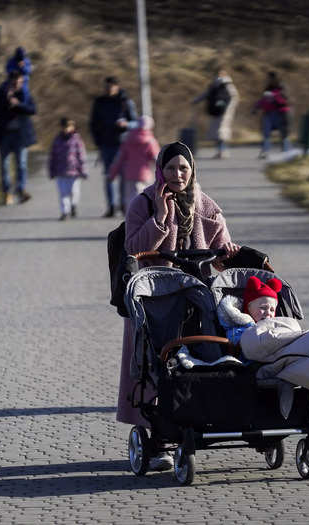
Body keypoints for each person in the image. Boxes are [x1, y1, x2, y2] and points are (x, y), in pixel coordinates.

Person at [117, 142, 239, 470]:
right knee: (157, 364)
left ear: (192, 169)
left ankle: (195, 423)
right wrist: (161, 216)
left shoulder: (204, 203)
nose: (178, 174)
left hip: (196, 296)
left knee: (201, 358)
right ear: (160, 170)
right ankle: (159, 439)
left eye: (183, 168)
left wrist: (228, 251)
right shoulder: (142, 203)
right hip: (156, 297)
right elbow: (134, 247)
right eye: (170, 168)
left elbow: (220, 256)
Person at [89, 76, 138, 217]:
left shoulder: (126, 102)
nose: (109, 89)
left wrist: (126, 125)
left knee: (124, 176)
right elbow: (93, 124)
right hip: (106, 144)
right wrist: (97, 141)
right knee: (108, 175)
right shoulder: (99, 103)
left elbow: (136, 123)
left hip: (123, 144)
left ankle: (123, 205)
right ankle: (110, 206)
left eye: (111, 86)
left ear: (117, 86)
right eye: (106, 86)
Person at [0, 70, 37, 205]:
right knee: (4, 165)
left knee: (21, 164)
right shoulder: (0, 93)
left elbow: (33, 110)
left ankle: (21, 191)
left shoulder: (25, 94)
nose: (17, 84)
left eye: (20, 82)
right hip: (4, 134)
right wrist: (6, 100)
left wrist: (18, 104)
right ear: (9, 81)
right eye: (14, 82)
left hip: (20, 135)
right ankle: (7, 192)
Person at [108, 115, 160, 212]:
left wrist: (112, 174)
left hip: (129, 175)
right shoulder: (150, 141)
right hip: (145, 174)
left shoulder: (128, 140)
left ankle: (130, 219)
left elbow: (119, 159)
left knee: (130, 199)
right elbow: (157, 159)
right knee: (145, 199)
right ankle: (141, 220)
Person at [192, 68, 239, 159]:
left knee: (220, 132)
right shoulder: (220, 85)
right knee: (219, 133)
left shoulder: (222, 85)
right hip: (219, 112)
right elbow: (234, 98)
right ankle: (221, 151)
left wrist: (196, 101)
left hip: (221, 112)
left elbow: (234, 97)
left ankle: (222, 151)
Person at [48, 117, 88, 220]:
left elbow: (81, 156)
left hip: (74, 172)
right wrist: (51, 170)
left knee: (74, 192)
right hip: (60, 171)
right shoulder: (57, 140)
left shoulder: (76, 139)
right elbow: (53, 156)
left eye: (68, 126)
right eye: (64, 127)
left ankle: (73, 205)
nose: (66, 129)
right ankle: (65, 211)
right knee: (63, 193)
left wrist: (83, 170)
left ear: (72, 127)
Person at [252, 71, 291, 158]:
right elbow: (263, 100)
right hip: (268, 113)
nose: (268, 80)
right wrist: (256, 107)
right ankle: (264, 152)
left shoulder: (281, 87)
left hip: (280, 113)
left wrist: (274, 95)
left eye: (270, 78)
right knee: (266, 134)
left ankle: (286, 152)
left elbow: (285, 100)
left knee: (283, 134)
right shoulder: (267, 88)